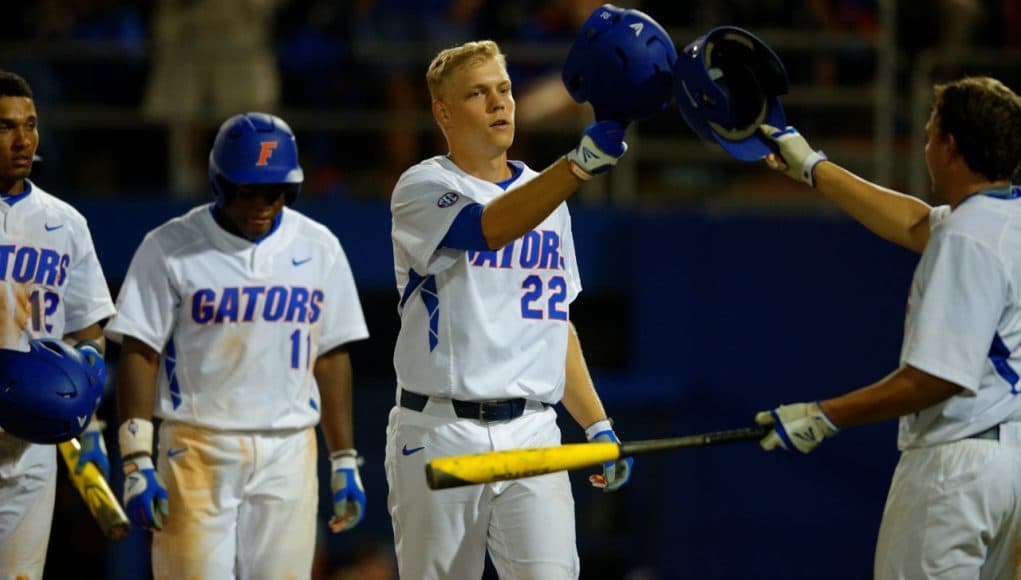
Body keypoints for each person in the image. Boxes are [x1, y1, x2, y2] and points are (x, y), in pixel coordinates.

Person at [753, 76, 1021, 578]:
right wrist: (813, 167)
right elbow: (916, 225)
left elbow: (936, 377)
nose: (924, 145)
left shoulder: (967, 236)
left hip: (953, 469)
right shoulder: (1005, 218)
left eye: (928, 134)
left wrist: (823, 415)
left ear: (951, 146)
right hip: (1009, 467)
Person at [385, 39, 633, 579]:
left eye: (505, 90)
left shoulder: (549, 201)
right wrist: (578, 166)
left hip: (533, 432)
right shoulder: (423, 186)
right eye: (478, 93)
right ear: (444, 112)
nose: (499, 103)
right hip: (441, 431)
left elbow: (554, 326)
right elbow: (488, 228)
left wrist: (596, 426)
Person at [106, 112, 370, 578]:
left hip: (290, 448)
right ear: (220, 183)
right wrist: (135, 459)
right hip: (196, 445)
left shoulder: (320, 246)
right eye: (246, 190)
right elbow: (139, 351)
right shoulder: (169, 245)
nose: (261, 203)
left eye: (274, 191)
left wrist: (344, 458)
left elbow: (330, 354)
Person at [0, 69, 115, 579]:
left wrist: (88, 418)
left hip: (33, 442)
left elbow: (90, 330)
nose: (23, 140)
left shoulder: (65, 222)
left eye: (31, 124)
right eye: (5, 127)